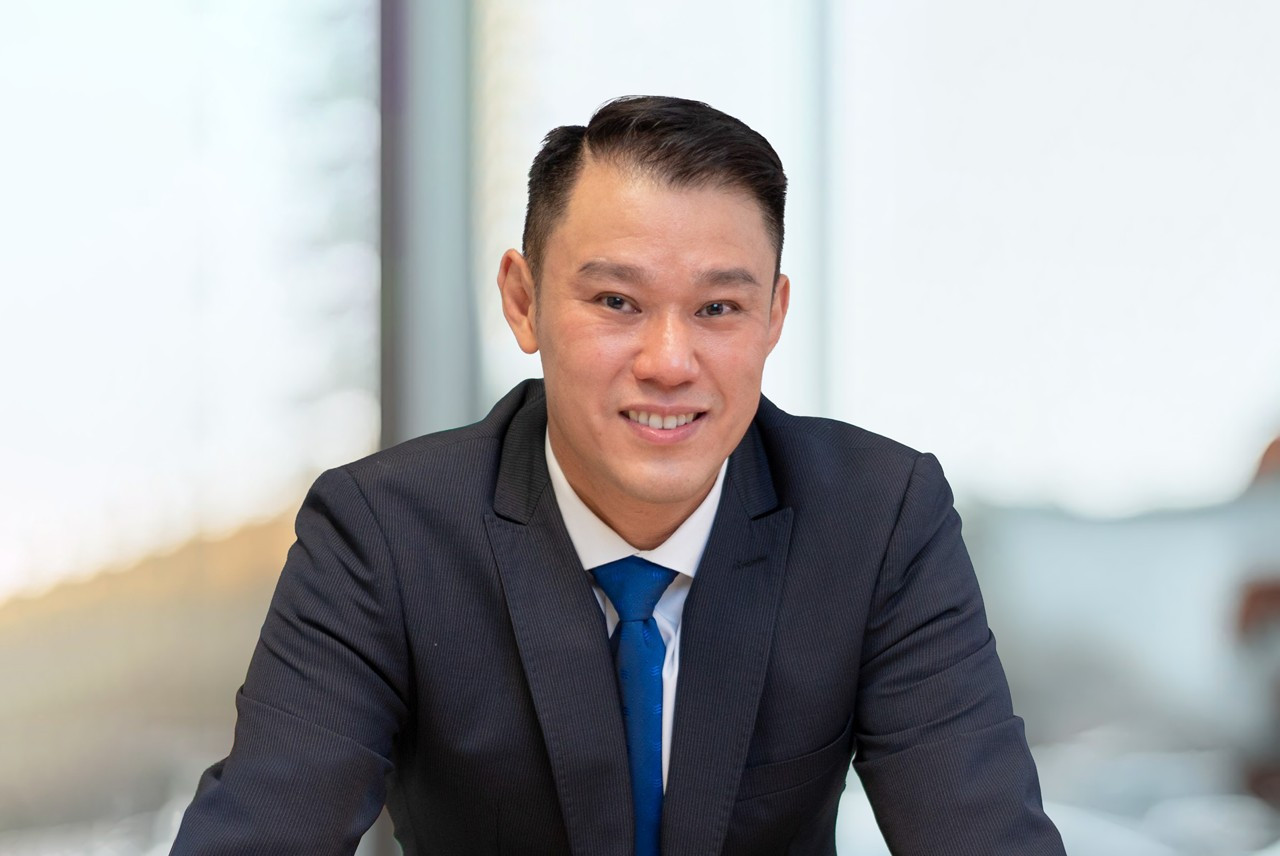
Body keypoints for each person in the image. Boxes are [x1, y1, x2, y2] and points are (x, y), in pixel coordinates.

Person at [171, 95, 1065, 855]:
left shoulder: (876, 521)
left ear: (773, 316)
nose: (669, 362)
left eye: (719, 307)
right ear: (523, 300)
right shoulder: (384, 533)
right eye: (616, 302)